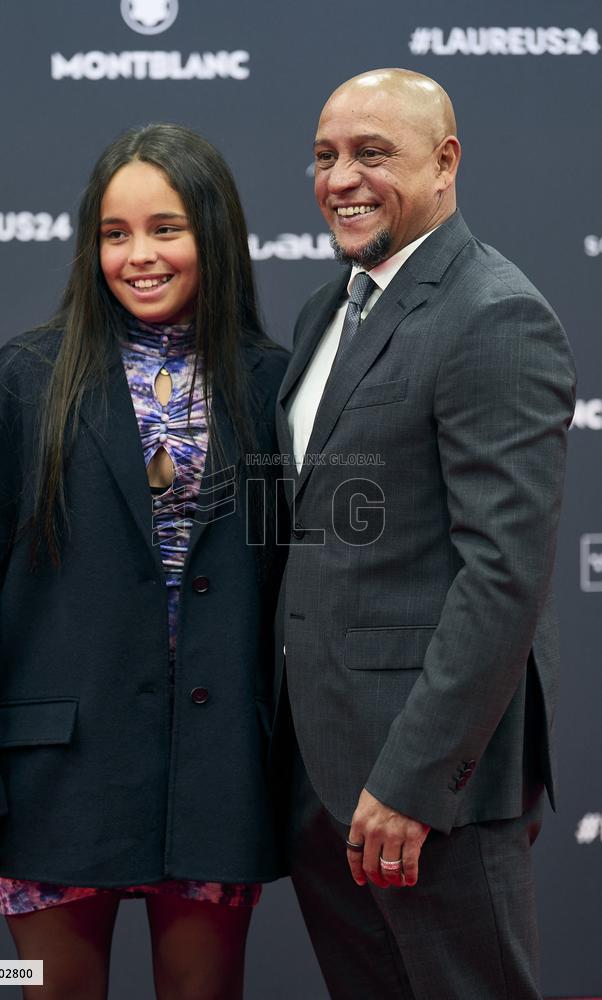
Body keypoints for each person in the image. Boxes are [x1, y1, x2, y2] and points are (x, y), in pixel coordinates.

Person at [0, 123, 288, 1000]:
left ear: (214, 234)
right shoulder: (27, 376)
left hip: (214, 776)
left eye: (166, 229)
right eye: (114, 232)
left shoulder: (272, 383)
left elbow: (289, 585)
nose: (140, 255)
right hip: (56, 775)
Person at [275, 68, 576, 999]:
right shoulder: (329, 307)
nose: (341, 179)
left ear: (445, 164)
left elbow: (502, 578)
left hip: (426, 788)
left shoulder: (495, 313)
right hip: (319, 776)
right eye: (326, 156)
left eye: (373, 154)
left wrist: (415, 780)